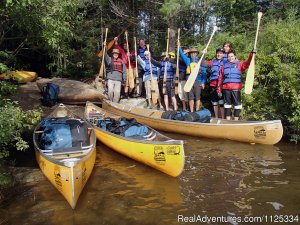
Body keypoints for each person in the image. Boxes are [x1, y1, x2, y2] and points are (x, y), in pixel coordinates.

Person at [217, 49, 256, 120]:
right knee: (227, 105)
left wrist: (251, 54)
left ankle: (236, 120)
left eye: (232, 56)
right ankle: (228, 121)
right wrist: (219, 89)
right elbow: (220, 78)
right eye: (229, 56)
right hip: (226, 88)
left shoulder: (240, 64)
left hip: (236, 88)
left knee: (237, 105)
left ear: (235, 56)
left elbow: (248, 63)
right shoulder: (224, 66)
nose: (230, 58)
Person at [179, 46, 206, 112]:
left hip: (197, 81)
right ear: (190, 54)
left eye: (194, 53)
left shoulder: (200, 61)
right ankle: (191, 111)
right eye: (191, 53)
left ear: (196, 54)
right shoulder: (187, 60)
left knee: (197, 97)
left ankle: (197, 111)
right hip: (189, 81)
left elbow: (204, 72)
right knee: (190, 97)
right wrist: (179, 47)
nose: (193, 54)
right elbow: (181, 54)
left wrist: (203, 82)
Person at [203, 47, 226, 118]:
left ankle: (222, 118)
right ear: (216, 54)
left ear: (223, 54)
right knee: (215, 102)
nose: (219, 54)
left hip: (221, 85)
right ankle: (216, 117)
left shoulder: (226, 62)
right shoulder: (212, 62)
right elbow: (202, 64)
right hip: (213, 84)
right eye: (218, 53)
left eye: (221, 53)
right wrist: (203, 54)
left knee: (221, 102)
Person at [177, 46, 189, 111]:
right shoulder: (179, 58)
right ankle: (184, 107)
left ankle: (187, 107)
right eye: (183, 49)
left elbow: (183, 58)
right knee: (180, 93)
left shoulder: (188, 57)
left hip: (185, 78)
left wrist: (180, 49)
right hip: (180, 78)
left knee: (185, 93)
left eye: (185, 49)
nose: (184, 50)